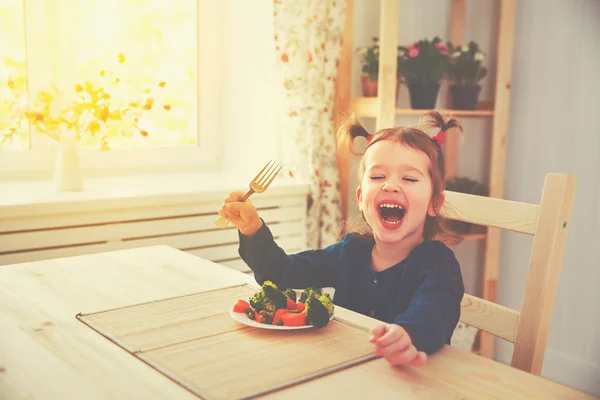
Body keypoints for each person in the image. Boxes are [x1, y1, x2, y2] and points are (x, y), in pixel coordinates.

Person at [217, 111, 465, 367]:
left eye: (410, 178)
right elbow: (281, 272)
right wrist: (252, 229)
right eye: (378, 176)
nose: (390, 186)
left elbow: (435, 310)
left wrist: (408, 333)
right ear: (360, 198)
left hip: (412, 379)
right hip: (345, 370)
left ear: (434, 203)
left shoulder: (439, 263)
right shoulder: (351, 251)